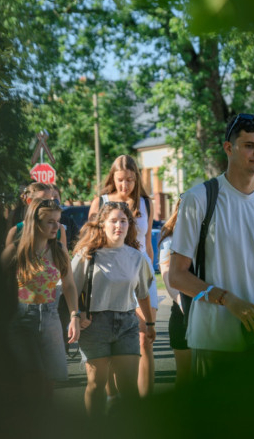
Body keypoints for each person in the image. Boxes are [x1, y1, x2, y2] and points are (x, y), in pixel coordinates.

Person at [169, 113, 254, 377]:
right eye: (249, 145)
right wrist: (228, 300)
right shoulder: (199, 198)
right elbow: (177, 276)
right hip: (213, 340)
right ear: (229, 148)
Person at [71, 201, 155, 415]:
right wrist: (76, 315)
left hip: (127, 323)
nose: (119, 226)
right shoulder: (87, 255)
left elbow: (143, 293)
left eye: (123, 221)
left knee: (128, 387)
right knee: (96, 384)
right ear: (102, 224)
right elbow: (71, 290)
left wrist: (149, 323)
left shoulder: (137, 257)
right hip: (94, 325)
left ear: (129, 225)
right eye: (114, 221)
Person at [88, 155, 158, 396]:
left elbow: (147, 242)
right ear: (113, 178)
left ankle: (145, 401)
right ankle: (113, 398)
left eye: (129, 179)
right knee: (112, 341)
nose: (125, 185)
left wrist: (151, 272)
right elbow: (90, 242)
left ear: (136, 178)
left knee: (144, 339)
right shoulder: (102, 201)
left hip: (141, 271)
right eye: (120, 180)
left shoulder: (146, 202)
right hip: (112, 274)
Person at [0, 198, 81, 397]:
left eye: (58, 221)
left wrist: (74, 316)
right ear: (35, 223)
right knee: (32, 379)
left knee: (49, 382)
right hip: (21, 319)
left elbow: (69, 285)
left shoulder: (59, 250)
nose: (56, 227)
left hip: (51, 317)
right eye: (50, 222)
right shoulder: (16, 250)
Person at [157, 200, 193, 388]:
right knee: (185, 375)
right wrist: (181, 301)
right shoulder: (170, 239)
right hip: (182, 310)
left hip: (210, 308)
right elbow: (167, 275)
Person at [5, 182, 68, 251]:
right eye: (43, 200)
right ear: (29, 201)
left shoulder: (58, 230)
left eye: (50, 200)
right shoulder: (16, 231)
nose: (49, 204)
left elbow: (63, 256)